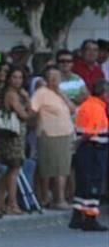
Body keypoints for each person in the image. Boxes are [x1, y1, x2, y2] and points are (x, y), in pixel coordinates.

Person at [30, 66, 75, 210]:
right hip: (49, 134)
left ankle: (60, 198)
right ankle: (45, 198)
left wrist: (61, 94)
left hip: (65, 133)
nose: (55, 80)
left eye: (57, 77)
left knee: (63, 168)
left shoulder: (60, 93)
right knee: (48, 167)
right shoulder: (41, 93)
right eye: (52, 77)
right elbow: (32, 110)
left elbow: (73, 109)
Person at [69, 80, 109, 231]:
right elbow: (90, 132)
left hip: (87, 149)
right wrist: (78, 143)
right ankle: (90, 218)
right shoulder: (96, 108)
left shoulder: (88, 105)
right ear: (104, 93)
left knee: (83, 182)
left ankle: (77, 216)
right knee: (93, 183)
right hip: (94, 149)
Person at [0, 66, 32, 215]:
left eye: (20, 77)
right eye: (14, 77)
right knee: (14, 169)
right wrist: (28, 100)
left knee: (10, 170)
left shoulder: (12, 93)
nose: (18, 80)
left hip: (16, 135)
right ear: (9, 78)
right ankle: (12, 203)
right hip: (12, 137)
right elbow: (24, 115)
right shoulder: (11, 94)